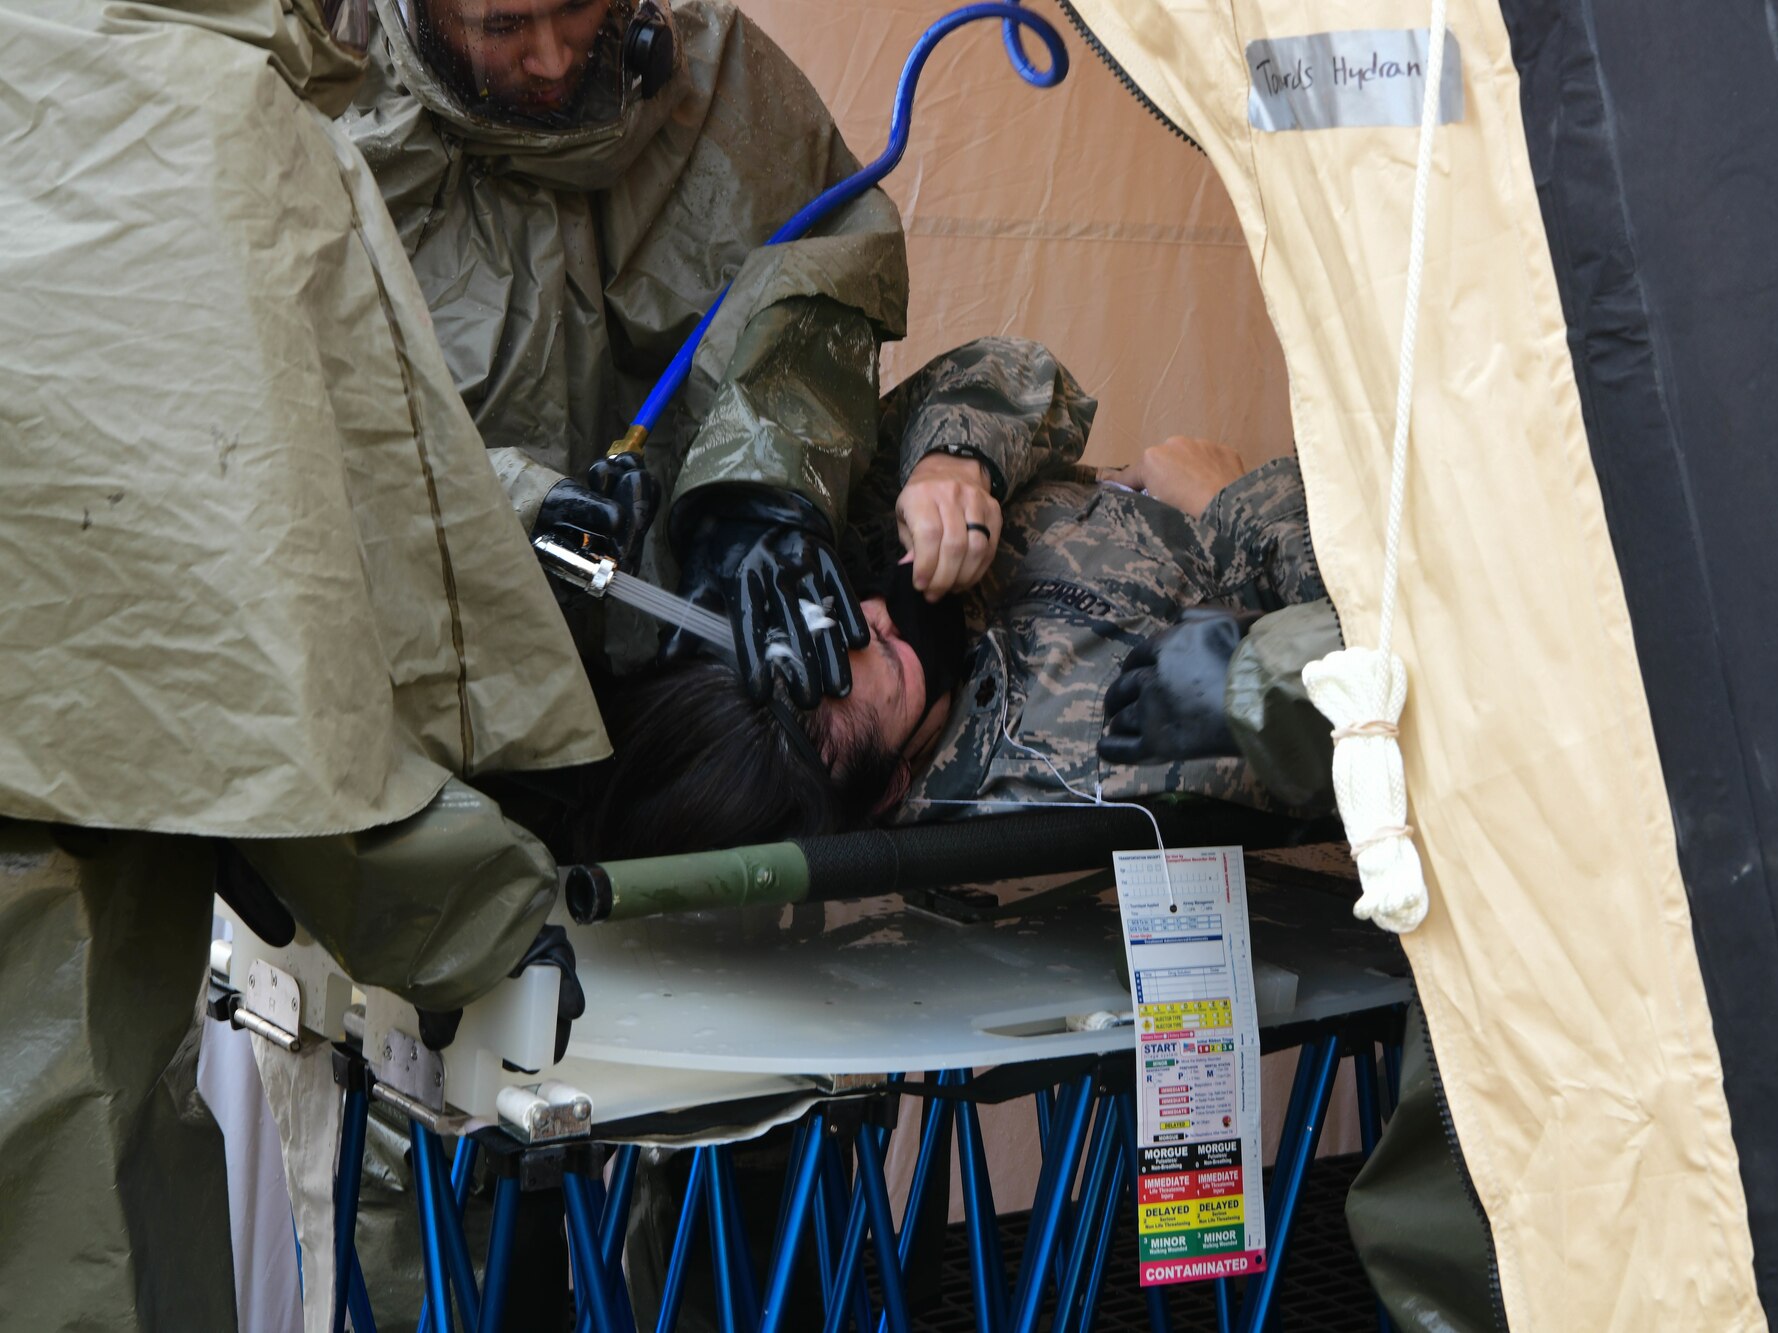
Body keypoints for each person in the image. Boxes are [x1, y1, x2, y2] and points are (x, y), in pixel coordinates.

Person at [0, 0, 610, 1327]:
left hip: (104, 807)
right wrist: (491, 912)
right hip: (65, 894)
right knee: (68, 1202)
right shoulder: (205, 113)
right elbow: (258, 624)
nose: (553, 55)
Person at [574, 337, 1349, 859]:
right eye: (830, 704)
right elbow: (1378, 684)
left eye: (798, 644)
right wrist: (1235, 500)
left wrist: (951, 462)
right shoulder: (1085, 764)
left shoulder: (851, 564)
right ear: (890, 792)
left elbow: (1023, 378)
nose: (844, 636)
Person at [346, 0, 917, 705]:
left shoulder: (712, 74)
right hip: (437, 690)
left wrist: (764, 490)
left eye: (578, 7)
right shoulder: (319, 109)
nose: (554, 58)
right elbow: (288, 426)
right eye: (504, 27)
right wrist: (514, 509)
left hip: (697, 681)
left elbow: (822, 269)